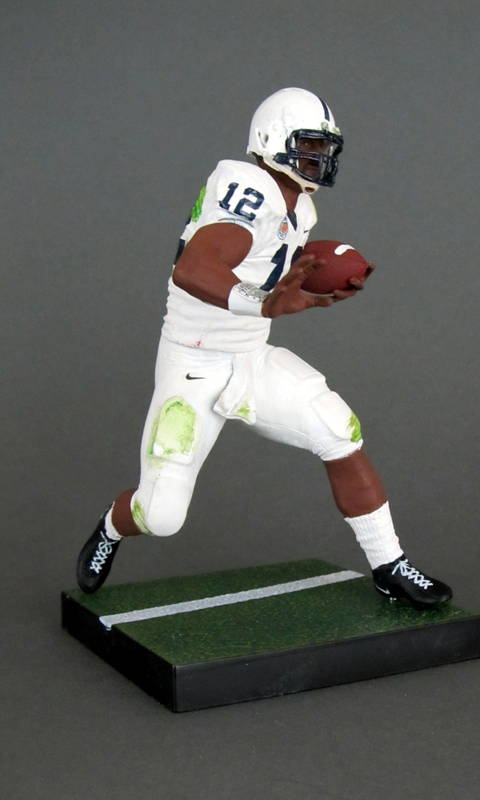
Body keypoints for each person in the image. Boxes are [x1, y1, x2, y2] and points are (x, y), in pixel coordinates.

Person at [76, 87, 452, 608]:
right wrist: (263, 301)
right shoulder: (248, 187)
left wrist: (316, 276)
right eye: (309, 145)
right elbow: (193, 268)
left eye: (325, 148)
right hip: (195, 362)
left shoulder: (302, 207)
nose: (319, 158)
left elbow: (269, 259)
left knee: (339, 432)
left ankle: (389, 565)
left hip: (252, 356)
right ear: (273, 140)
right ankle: (112, 528)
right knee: (161, 516)